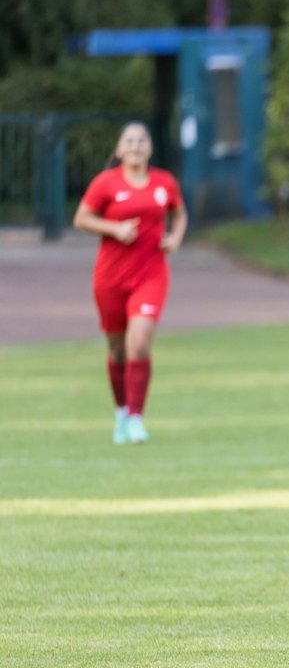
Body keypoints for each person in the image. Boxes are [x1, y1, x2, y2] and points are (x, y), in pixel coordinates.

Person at [73, 122, 187, 444]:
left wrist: (175, 239)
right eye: (129, 141)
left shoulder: (165, 183)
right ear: (120, 149)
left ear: (150, 148)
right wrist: (115, 229)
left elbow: (179, 214)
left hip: (151, 274)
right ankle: (121, 412)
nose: (136, 146)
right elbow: (81, 218)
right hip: (110, 277)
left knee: (139, 341)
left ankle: (137, 417)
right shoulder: (105, 183)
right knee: (117, 348)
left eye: (142, 140)